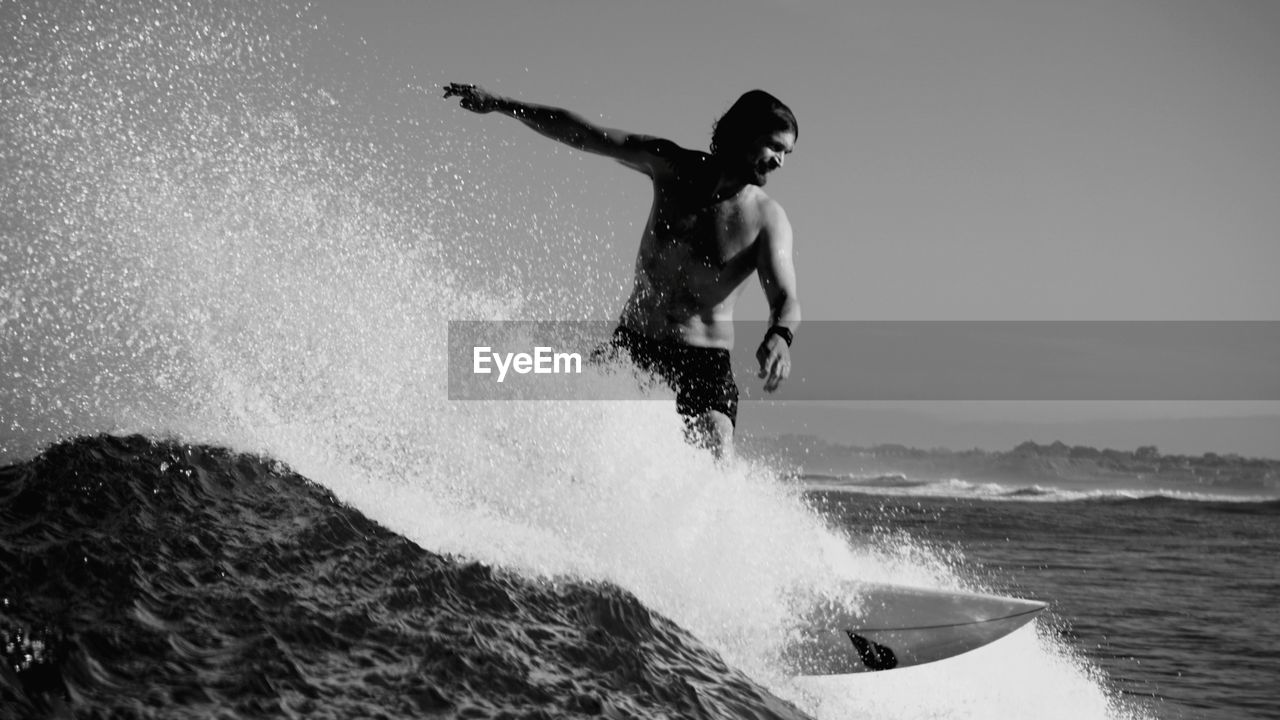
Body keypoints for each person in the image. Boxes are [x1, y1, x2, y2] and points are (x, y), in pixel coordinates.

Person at [444, 83, 801, 460]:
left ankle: (718, 519)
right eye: (774, 146)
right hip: (634, 345)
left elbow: (786, 298)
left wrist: (781, 335)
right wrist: (502, 105)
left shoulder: (767, 219)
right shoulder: (670, 166)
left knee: (716, 441)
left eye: (786, 152)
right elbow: (586, 134)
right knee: (567, 431)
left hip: (702, 365)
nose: (780, 161)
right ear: (743, 133)